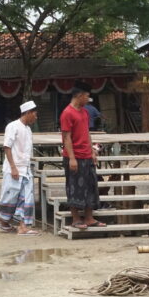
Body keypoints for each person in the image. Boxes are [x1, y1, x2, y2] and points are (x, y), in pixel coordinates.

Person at [61, 82, 106, 229]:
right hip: (74, 155)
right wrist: (72, 158)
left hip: (86, 154)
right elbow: (66, 137)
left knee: (91, 185)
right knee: (74, 187)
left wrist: (92, 150)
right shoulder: (67, 113)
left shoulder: (85, 112)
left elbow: (87, 132)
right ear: (79, 95)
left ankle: (89, 217)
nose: (88, 99)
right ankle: (75, 219)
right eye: (87, 96)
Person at [0, 100, 40, 236]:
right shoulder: (13, 126)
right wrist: (13, 167)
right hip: (14, 169)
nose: (36, 117)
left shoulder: (28, 129)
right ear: (28, 113)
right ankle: (3, 221)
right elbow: (7, 147)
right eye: (35, 114)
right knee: (10, 198)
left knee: (26, 198)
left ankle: (22, 226)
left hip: (25, 169)